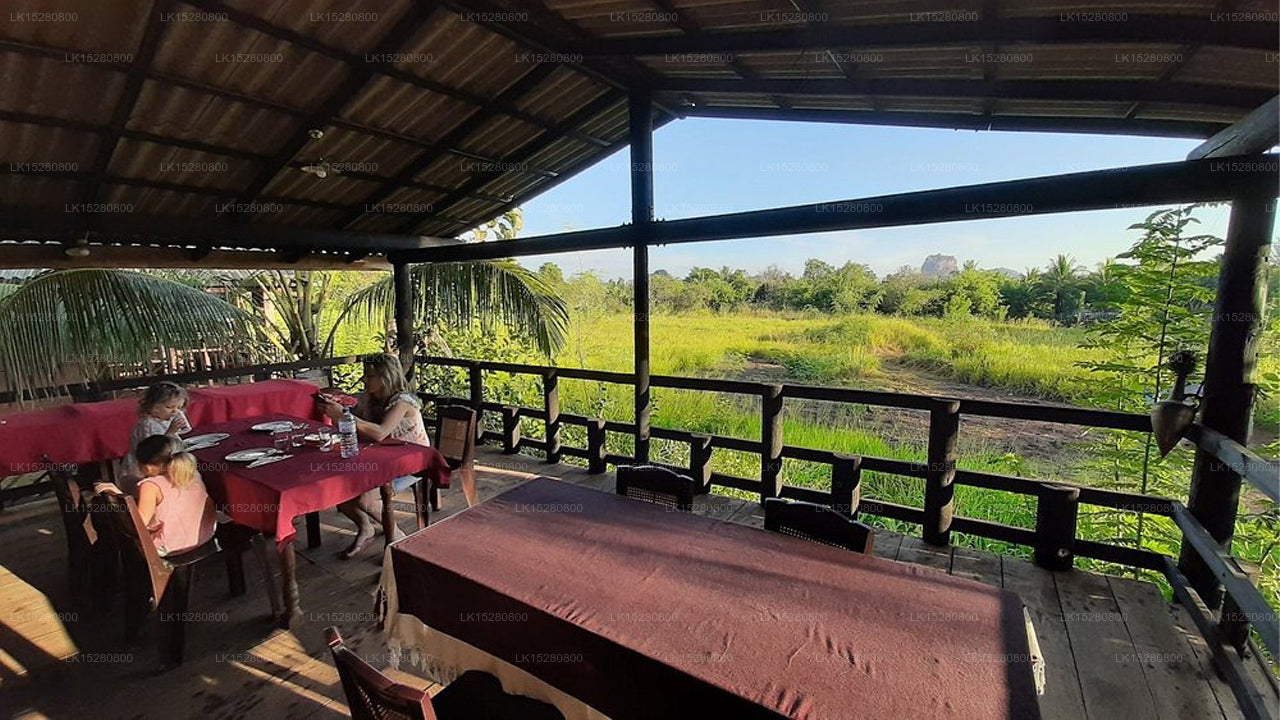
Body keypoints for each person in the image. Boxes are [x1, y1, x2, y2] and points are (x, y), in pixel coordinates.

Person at [318, 354, 430, 559]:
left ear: (385, 377)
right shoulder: (370, 398)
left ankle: (398, 537)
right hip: (379, 460)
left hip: (410, 462)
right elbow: (350, 409)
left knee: (365, 498)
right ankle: (366, 528)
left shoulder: (403, 401)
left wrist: (343, 415)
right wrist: (334, 403)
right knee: (341, 492)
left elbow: (380, 432)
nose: (364, 380)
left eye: (369, 376)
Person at [133, 434, 217, 556]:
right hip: (204, 536)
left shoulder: (150, 486)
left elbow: (138, 524)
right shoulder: (192, 473)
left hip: (172, 546)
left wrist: (119, 496)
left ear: (147, 467)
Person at [121, 381, 191, 492]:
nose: (175, 411)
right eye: (169, 407)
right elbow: (153, 450)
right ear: (152, 406)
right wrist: (171, 432)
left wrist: (180, 423)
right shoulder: (148, 424)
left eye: (179, 407)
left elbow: (185, 429)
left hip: (164, 461)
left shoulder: (166, 418)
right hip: (145, 468)